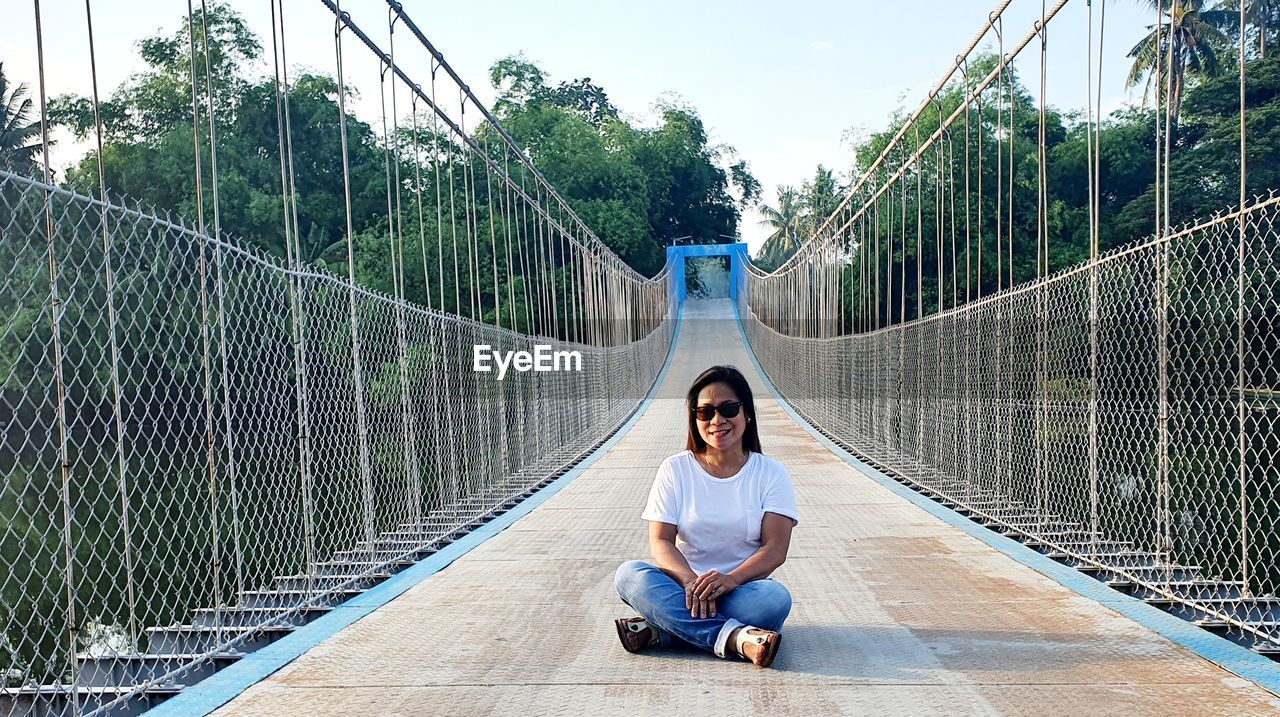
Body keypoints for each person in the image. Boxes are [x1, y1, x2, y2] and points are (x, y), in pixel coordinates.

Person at [613, 365, 799, 668]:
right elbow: (661, 542)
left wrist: (730, 579)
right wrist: (689, 582)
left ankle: (664, 629)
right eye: (705, 412)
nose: (717, 420)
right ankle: (736, 638)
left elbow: (775, 549)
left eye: (728, 408)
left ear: (747, 413)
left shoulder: (771, 474)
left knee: (774, 599)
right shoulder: (674, 469)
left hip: (741, 591)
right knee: (628, 575)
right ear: (694, 418)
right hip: (682, 589)